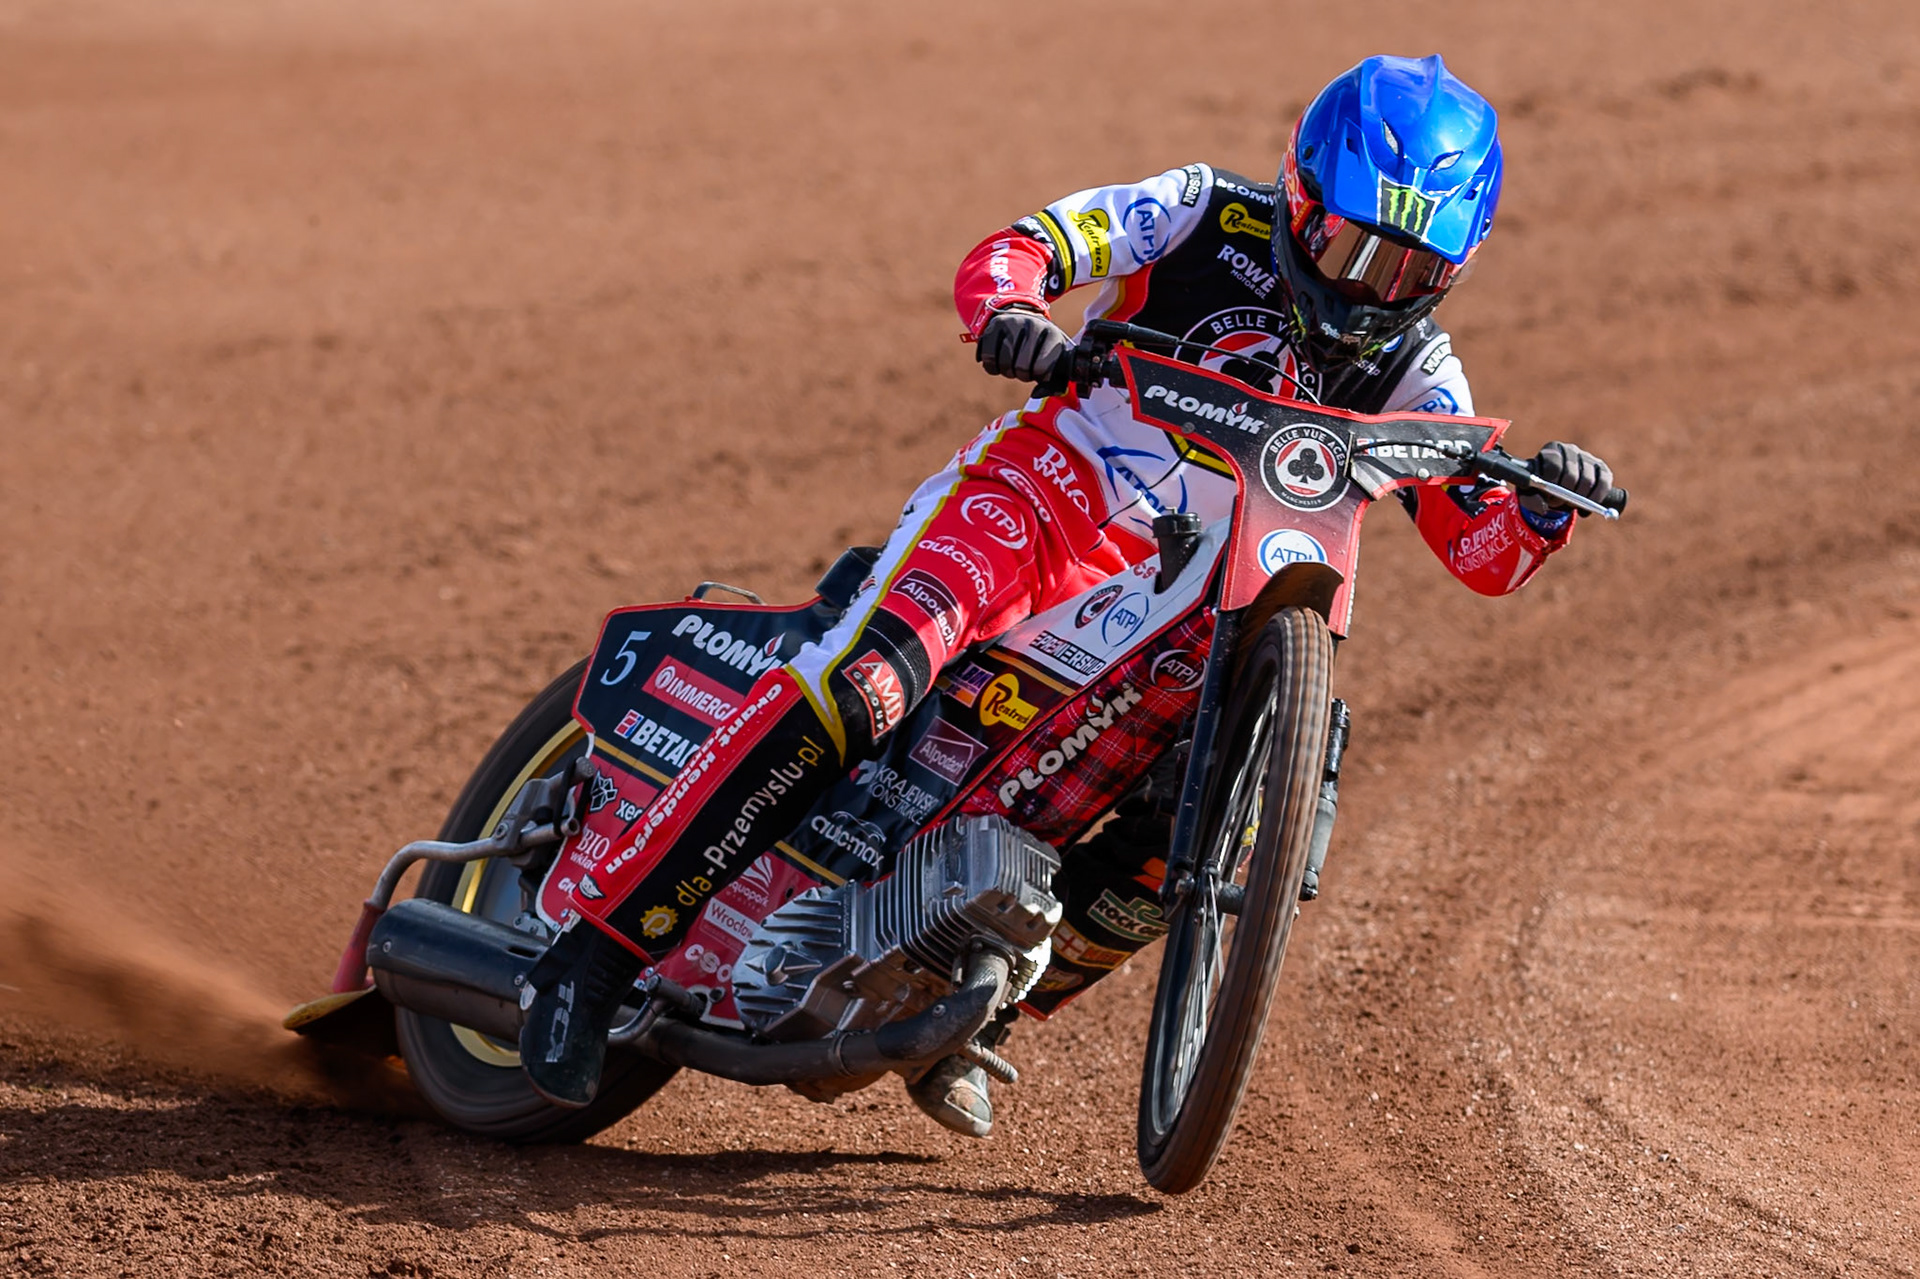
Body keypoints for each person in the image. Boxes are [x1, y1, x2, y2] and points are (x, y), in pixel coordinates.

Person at [519, 54, 1616, 1135]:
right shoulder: (1199, 212)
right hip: (1047, 496)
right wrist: (1012, 310)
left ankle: (978, 1009)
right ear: (1298, 190)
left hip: (1191, 603)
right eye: (1347, 245)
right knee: (866, 688)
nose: (1365, 287)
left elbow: (1479, 547)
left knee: (1196, 811)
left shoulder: (1421, 372)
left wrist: (1546, 503)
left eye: (1406, 272)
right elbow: (1031, 246)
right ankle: (598, 953)